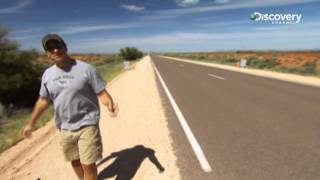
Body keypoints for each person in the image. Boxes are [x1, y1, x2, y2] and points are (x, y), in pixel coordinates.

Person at [21, 33, 118, 180]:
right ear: (47, 54)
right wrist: (30, 124)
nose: (55, 50)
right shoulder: (47, 74)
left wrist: (109, 104)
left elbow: (101, 92)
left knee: (88, 164)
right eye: (50, 48)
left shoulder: (86, 69)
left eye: (58, 46)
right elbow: (43, 100)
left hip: (88, 123)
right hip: (64, 127)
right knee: (75, 160)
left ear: (65, 47)